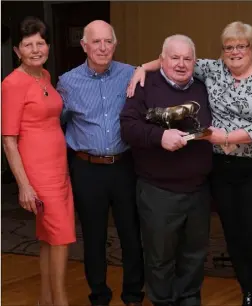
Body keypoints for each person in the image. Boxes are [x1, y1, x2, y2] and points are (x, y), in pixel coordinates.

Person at [128, 21, 252, 306]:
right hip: (222, 169)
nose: (235, 52)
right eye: (229, 47)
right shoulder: (212, 69)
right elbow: (173, 58)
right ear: (222, 52)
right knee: (233, 234)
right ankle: (248, 290)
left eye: (241, 46)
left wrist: (222, 136)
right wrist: (141, 67)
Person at [119, 34, 212, 306]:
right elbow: (128, 127)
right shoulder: (145, 86)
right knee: (160, 257)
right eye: (175, 58)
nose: (181, 64)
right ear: (161, 60)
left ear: (195, 62)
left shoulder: (204, 86)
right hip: (158, 191)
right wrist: (159, 137)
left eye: (187, 58)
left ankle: (189, 299)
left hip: (198, 190)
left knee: (195, 254)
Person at [57, 20, 144, 306]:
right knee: (93, 237)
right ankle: (99, 295)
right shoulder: (68, 82)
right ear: (84, 46)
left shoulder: (131, 74)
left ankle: (132, 294)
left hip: (124, 166)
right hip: (87, 168)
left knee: (131, 233)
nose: (103, 47)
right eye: (96, 42)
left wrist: (146, 67)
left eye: (108, 41)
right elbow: (56, 124)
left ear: (115, 45)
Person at [1, 16, 75, 306]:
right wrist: (23, 185)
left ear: (47, 46)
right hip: (38, 173)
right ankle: (61, 301)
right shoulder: (12, 83)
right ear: (17, 51)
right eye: (27, 44)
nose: (35, 49)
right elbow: (8, 139)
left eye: (40, 43)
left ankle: (46, 300)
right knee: (60, 237)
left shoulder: (43, 76)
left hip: (59, 168)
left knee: (49, 238)